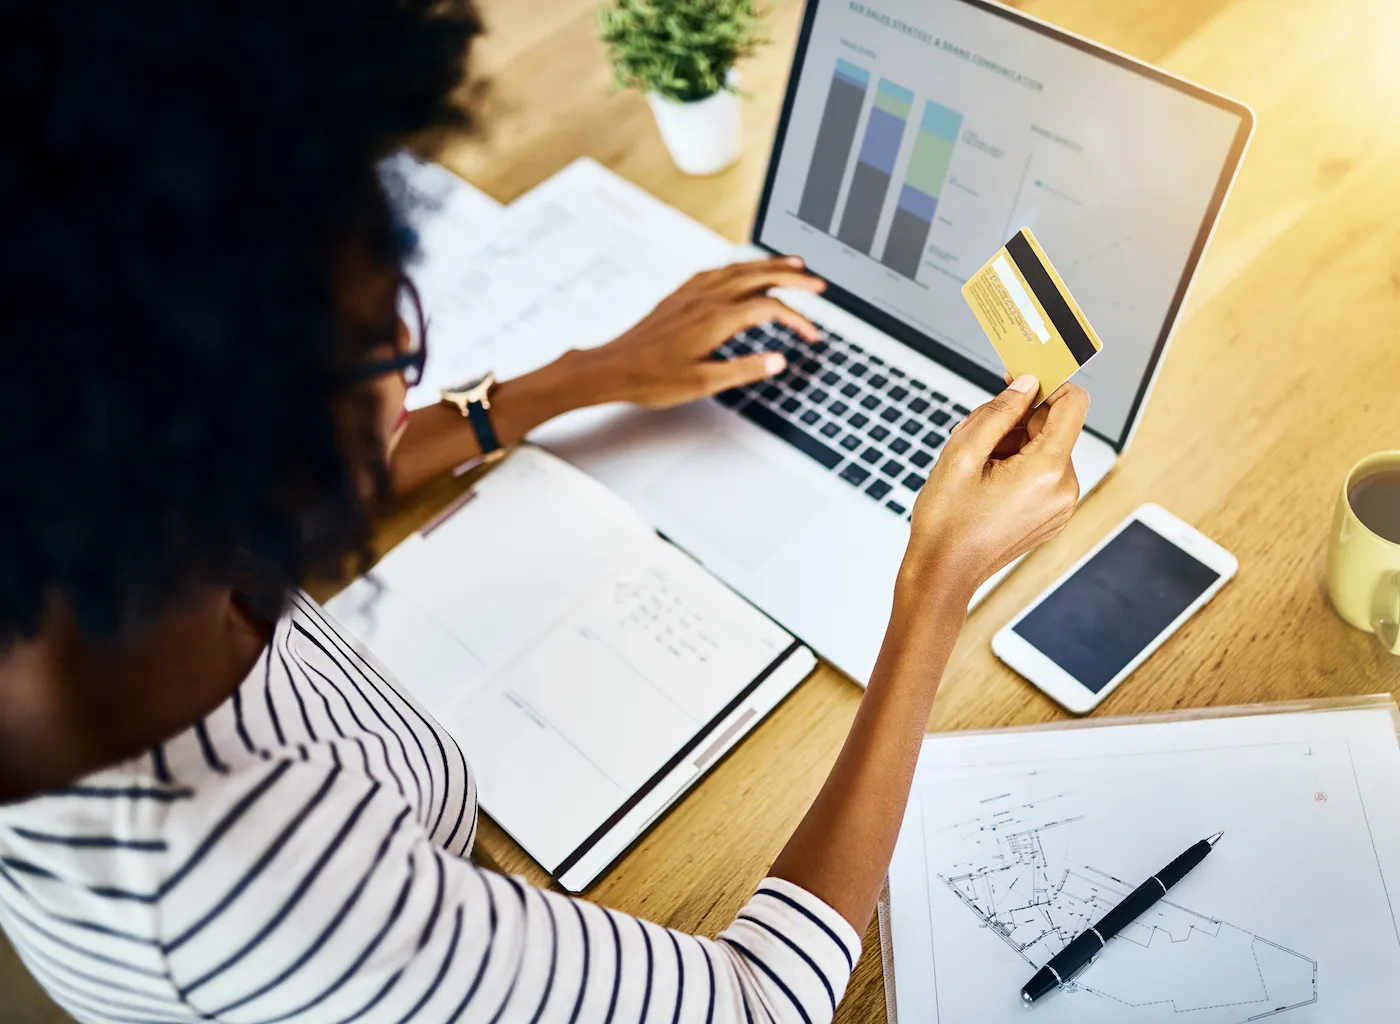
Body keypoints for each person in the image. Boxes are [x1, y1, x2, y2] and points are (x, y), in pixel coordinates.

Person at [0, 2, 1089, 1022]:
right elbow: (755, 1001)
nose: (410, 377)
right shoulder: (255, 892)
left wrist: (575, 376)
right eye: (386, 345)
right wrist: (933, 580)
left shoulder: (73, 507)